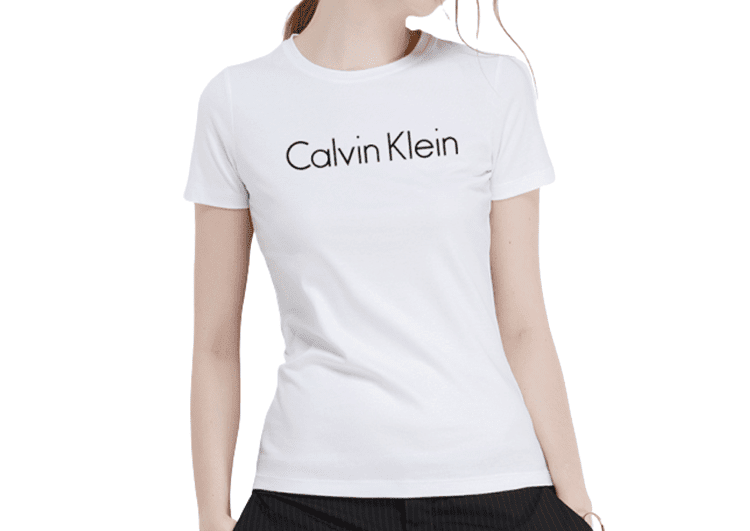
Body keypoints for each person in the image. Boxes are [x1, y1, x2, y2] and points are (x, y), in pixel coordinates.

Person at [184, 1, 605, 531]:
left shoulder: (494, 85)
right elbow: (215, 343)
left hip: (496, 485)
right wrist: (212, 515)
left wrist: (577, 504)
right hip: (307, 493)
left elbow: (523, 324)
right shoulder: (237, 100)